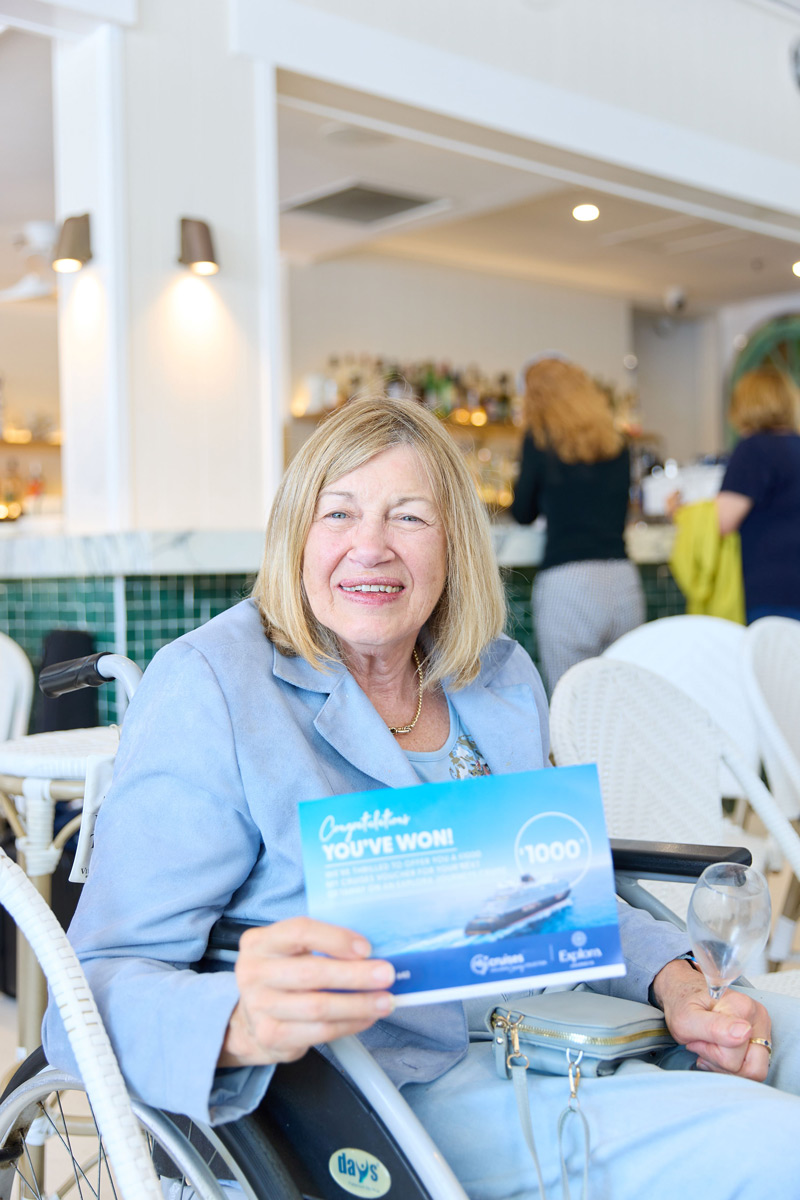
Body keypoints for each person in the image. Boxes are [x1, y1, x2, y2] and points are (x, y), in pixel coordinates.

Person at [43, 396, 800, 1198]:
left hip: (564, 1027)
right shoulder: (215, 687)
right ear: (296, 534)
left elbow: (556, 899)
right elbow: (87, 998)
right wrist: (238, 1019)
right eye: (339, 513)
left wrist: (673, 978)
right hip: (391, 1093)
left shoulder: (497, 677)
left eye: (409, 517)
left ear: (453, 544)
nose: (371, 546)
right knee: (777, 1146)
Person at [511, 357, 645, 693]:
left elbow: (522, 512)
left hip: (569, 584)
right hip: (622, 583)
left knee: (571, 704)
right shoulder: (616, 442)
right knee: (625, 701)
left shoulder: (539, 441)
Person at [715, 365, 800, 624]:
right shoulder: (795, 445)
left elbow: (723, 520)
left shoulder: (753, 449)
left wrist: (683, 513)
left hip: (773, 590)